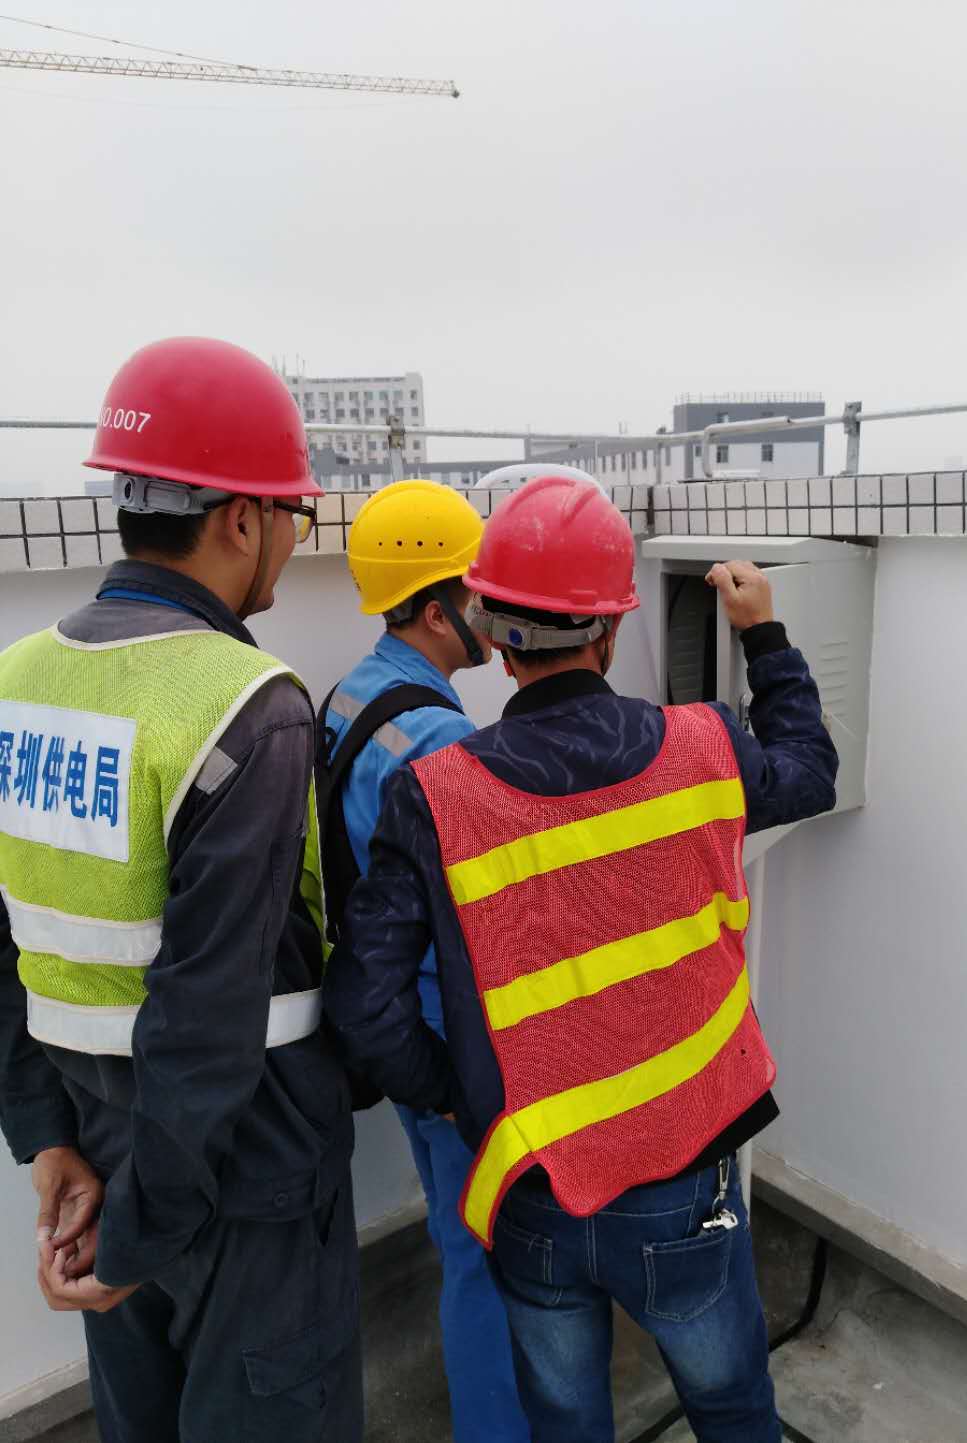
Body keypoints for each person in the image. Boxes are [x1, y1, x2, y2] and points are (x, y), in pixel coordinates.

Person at [324, 474, 840, 1443]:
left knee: (564, 1426)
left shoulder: (434, 794)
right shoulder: (705, 746)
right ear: (610, 629)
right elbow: (811, 771)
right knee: (733, 1410)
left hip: (535, 1195)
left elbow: (365, 1005)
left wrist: (456, 1096)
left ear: (493, 629)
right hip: (685, 1179)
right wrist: (763, 636)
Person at [0, 337, 362, 1443]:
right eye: (291, 513)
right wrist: (141, 1236)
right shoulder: (247, 704)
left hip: (104, 1149)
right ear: (240, 519)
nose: (293, 537)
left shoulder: (18, 680)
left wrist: (47, 1136)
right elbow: (207, 1011)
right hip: (243, 1165)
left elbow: (10, 936)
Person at [316, 479, 529, 1443]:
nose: (493, 608)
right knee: (487, 1253)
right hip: (447, 1034)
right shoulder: (441, 739)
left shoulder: (350, 694)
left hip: (394, 1022)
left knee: (458, 1234)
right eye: (477, 591)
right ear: (438, 611)